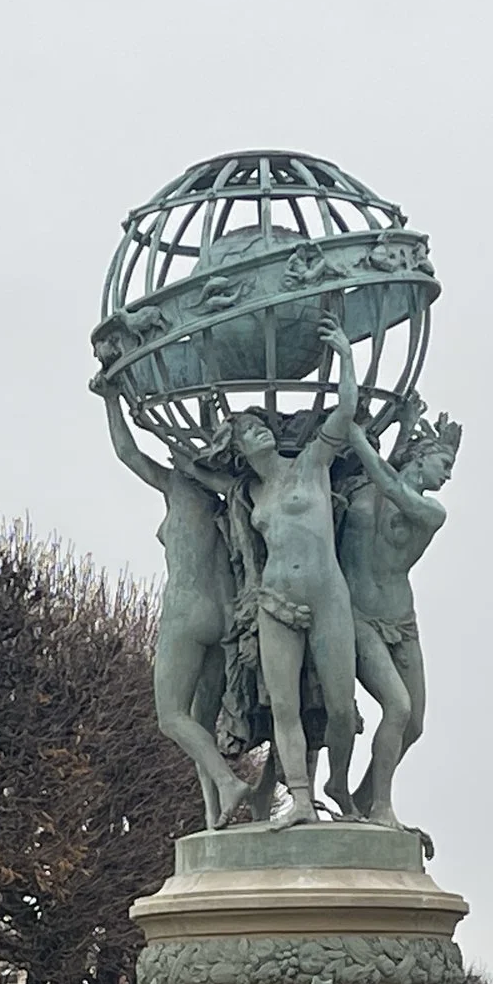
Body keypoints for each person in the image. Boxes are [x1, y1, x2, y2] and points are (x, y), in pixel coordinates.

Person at [224, 313, 363, 823]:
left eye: (262, 427)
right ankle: (300, 799)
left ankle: (339, 785)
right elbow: (173, 467)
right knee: (284, 708)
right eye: (248, 433)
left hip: (328, 595)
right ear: (240, 450)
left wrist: (345, 355)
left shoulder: (310, 463)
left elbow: (345, 411)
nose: (259, 434)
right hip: (276, 602)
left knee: (342, 709)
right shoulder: (250, 494)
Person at [104, 394, 247, 825]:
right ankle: (213, 814)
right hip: (225, 614)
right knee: (200, 722)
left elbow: (127, 453)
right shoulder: (227, 497)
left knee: (172, 717)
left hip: (186, 609)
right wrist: (207, 413)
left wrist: (110, 401)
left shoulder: (178, 486)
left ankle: (227, 783)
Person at [338, 400, 459, 829]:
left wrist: (350, 429)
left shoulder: (430, 511)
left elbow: (390, 484)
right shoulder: (361, 487)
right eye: (444, 463)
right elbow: (385, 473)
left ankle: (362, 795)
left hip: (401, 621)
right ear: (420, 457)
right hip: (355, 616)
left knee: (415, 724)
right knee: (398, 707)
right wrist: (402, 427)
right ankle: (381, 809)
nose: (448, 475)